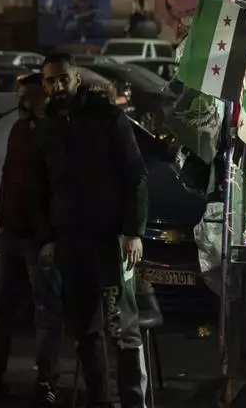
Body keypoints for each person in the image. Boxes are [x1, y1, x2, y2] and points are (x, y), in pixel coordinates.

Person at [34, 53, 149, 408]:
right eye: (50, 81)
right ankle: (100, 401)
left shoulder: (106, 118)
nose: (57, 86)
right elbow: (43, 186)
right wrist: (48, 238)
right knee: (85, 330)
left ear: (76, 79)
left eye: (63, 79)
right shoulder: (48, 125)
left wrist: (133, 231)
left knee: (123, 329)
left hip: (111, 239)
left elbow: (136, 175)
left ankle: (132, 402)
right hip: (70, 239)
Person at [0, 74, 64, 406]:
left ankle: (47, 381)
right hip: (12, 232)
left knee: (46, 310)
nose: (23, 102)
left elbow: (59, 187)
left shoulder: (57, 131)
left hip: (40, 236)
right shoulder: (19, 130)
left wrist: (51, 235)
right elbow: (11, 179)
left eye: (29, 96)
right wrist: (3, 223)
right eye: (21, 96)